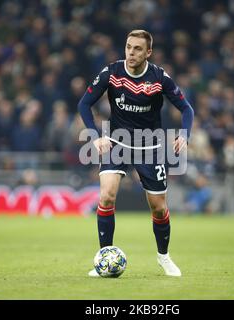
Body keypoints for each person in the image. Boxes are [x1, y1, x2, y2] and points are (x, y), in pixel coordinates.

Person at [78, 30, 194, 277]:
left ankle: (164, 257)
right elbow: (83, 104)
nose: (131, 52)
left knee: (159, 208)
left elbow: (186, 108)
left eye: (137, 49)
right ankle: (105, 258)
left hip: (150, 145)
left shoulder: (159, 77)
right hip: (116, 142)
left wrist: (185, 134)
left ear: (148, 52)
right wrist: (95, 135)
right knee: (107, 195)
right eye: (128, 47)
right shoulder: (112, 72)